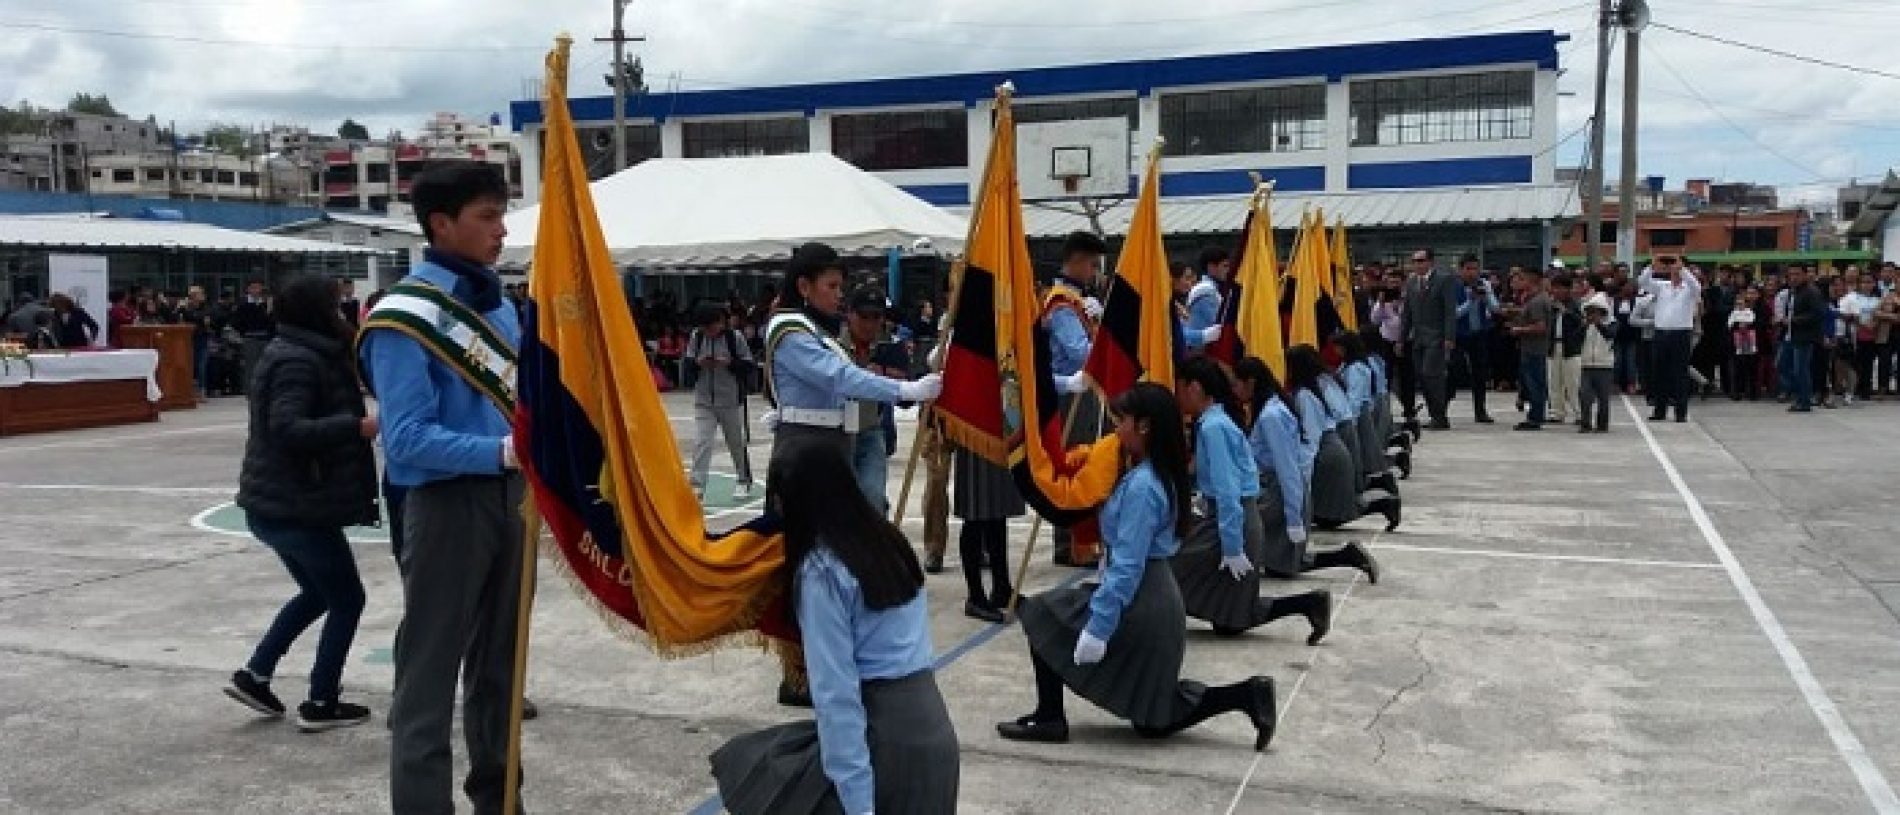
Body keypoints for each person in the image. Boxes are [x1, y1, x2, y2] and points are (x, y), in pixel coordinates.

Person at [360, 161, 528, 814]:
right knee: (427, 687)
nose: (501, 230)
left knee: (502, 675)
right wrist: (500, 450)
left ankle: (501, 802)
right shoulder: (402, 315)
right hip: (446, 502)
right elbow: (405, 438)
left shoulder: (501, 307)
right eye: (487, 217)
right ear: (441, 224)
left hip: (512, 498)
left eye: (500, 215)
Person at [997, 383, 1278, 750]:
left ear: (1144, 427)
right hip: (1152, 594)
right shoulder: (1150, 472)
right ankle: (1246, 695)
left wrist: (1099, 627)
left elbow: (1128, 565)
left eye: (1123, 420)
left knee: (1043, 616)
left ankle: (1050, 717)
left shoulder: (1144, 487)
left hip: (1143, 600)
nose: (1117, 428)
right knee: (1154, 718)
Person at [709, 446, 959, 815]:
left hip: (883, 742)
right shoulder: (887, 541)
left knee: (751, 770)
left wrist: (859, 806)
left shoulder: (822, 571)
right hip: (934, 738)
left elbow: (836, 697)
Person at [764, 242, 942, 706]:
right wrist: (903, 389)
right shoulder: (791, 330)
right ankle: (798, 675)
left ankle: (816, 667)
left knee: (826, 562)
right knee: (807, 565)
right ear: (803, 286)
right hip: (807, 456)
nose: (838, 295)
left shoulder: (815, 329)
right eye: (832, 286)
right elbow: (839, 379)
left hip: (827, 451)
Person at [223, 274, 379, 732]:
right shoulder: (299, 360)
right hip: (297, 507)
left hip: (278, 504)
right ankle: (321, 701)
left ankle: (255, 674)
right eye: (334, 305)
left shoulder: (292, 350)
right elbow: (287, 428)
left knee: (317, 594)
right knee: (347, 598)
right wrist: (354, 426)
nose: (342, 312)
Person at [1167, 357, 1332, 642]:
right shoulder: (1216, 421)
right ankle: (1309, 604)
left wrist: (1231, 545)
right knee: (1230, 618)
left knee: (1167, 569)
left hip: (1230, 522)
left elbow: (1228, 490)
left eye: (1179, 388)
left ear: (1194, 388)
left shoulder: (1213, 428)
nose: (1177, 396)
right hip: (1232, 519)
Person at [1232, 356, 1381, 583]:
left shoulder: (1272, 415)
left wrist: (1294, 516)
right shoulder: (1270, 408)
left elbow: (1287, 467)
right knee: (1281, 561)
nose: (1234, 390)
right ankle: (1347, 556)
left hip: (1280, 493)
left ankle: (1346, 557)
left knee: (1249, 539)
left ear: (1250, 383)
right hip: (1279, 490)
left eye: (1236, 384)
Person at [1044, 230, 1110, 567]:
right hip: (1070, 392)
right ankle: (1068, 543)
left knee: (1086, 462)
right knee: (1072, 462)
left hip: (1084, 391)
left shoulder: (1078, 301)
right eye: (1092, 265)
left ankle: (1082, 540)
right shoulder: (1061, 304)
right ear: (1077, 262)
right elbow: (1079, 351)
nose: (1094, 272)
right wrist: (1103, 334)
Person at [1286, 345, 1400, 532]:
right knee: (1330, 511)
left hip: (1327, 454)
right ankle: (1381, 495)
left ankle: (1383, 504)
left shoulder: (1307, 394)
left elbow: (1312, 439)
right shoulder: (1319, 384)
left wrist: (1304, 477)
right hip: (1332, 447)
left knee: (1333, 514)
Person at [843, 286, 912, 515]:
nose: (870, 324)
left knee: (872, 498)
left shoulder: (890, 345)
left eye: (876, 317)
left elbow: (907, 389)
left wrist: (880, 372)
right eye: (864, 316)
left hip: (871, 429)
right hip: (835, 433)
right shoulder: (832, 343)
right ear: (850, 314)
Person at [686, 303, 756, 500]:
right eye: (704, 327)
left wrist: (730, 363)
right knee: (702, 442)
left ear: (720, 322)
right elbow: (688, 364)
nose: (708, 331)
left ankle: (743, 480)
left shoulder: (735, 338)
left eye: (711, 326)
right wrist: (698, 363)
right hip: (704, 401)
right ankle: (697, 485)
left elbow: (748, 365)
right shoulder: (697, 337)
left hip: (730, 401)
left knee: (736, 442)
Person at [952, 436, 1024, 624]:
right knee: (975, 512)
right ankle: (975, 596)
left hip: (1000, 427)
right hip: (973, 428)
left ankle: (1002, 587)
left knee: (999, 508)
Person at [1400, 248, 1459, 430]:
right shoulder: (1411, 282)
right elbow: (1407, 313)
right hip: (1418, 338)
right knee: (1423, 377)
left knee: (1432, 375)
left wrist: (1449, 336)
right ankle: (1435, 414)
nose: (1418, 265)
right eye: (1415, 261)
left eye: (1421, 261)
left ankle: (1440, 415)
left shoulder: (1444, 280)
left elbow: (1450, 310)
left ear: (1430, 262)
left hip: (1437, 336)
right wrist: (1402, 338)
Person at [1638, 255, 1701, 422]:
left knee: (1680, 374)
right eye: (1671, 266)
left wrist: (1682, 269)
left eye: (1675, 266)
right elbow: (1643, 282)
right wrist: (1653, 265)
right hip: (1661, 333)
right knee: (1660, 373)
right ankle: (1660, 410)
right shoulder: (1662, 286)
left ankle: (1681, 412)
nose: (1673, 269)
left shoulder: (1689, 288)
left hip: (1680, 334)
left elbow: (1697, 286)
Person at [1451, 254, 1499, 423]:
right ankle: (1442, 406)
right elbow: (1454, 314)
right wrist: (1470, 301)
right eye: (1468, 269)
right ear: (1460, 269)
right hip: (1458, 334)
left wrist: (1485, 296)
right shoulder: (1453, 286)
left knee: (1480, 373)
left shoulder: (1484, 284)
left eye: (1475, 269)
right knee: (1454, 369)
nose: (1472, 273)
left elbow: (1495, 307)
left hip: (1479, 333)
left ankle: (1480, 410)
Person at [1508, 269, 1552, 431]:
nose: (1518, 282)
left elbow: (1540, 326)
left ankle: (1535, 417)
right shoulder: (1534, 300)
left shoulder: (1537, 302)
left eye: (1521, 279)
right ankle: (1536, 415)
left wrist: (1519, 330)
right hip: (1532, 348)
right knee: (1534, 382)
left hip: (1534, 348)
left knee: (1535, 383)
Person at [1545, 273, 1585, 426]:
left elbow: (1581, 322)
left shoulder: (1576, 304)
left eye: (1559, 288)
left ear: (1567, 289)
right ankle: (1556, 412)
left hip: (1571, 347)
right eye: (1554, 288)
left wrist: (1565, 311)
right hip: (1553, 345)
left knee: (1573, 382)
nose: (1555, 291)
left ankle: (1580, 413)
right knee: (1554, 381)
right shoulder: (1551, 305)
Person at [1785, 266, 1826, 412]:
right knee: (1793, 369)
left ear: (1805, 275)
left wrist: (1794, 320)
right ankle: (1800, 398)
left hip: (1806, 336)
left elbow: (1819, 313)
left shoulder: (1811, 291)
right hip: (1794, 335)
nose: (1794, 277)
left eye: (1797, 274)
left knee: (1801, 370)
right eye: (1791, 274)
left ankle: (1804, 401)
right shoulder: (1794, 291)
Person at [1578, 293, 1617, 433]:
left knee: (1603, 398)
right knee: (1584, 396)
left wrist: (1598, 324)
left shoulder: (1612, 323)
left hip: (1605, 365)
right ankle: (1585, 423)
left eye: (1595, 311)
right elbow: (1576, 339)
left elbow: (1610, 335)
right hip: (1586, 364)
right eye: (1590, 311)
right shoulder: (1585, 325)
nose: (1592, 314)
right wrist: (1584, 326)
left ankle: (1602, 424)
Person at [1728, 287, 1761, 401]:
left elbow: (1756, 323)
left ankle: (1752, 392)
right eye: (1737, 303)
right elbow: (1730, 326)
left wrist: (1747, 326)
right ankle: (1737, 391)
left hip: (1752, 342)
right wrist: (1738, 326)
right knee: (1738, 368)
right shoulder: (1734, 312)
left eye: (1753, 293)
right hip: (1738, 343)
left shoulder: (1755, 310)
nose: (1740, 304)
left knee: (1752, 368)